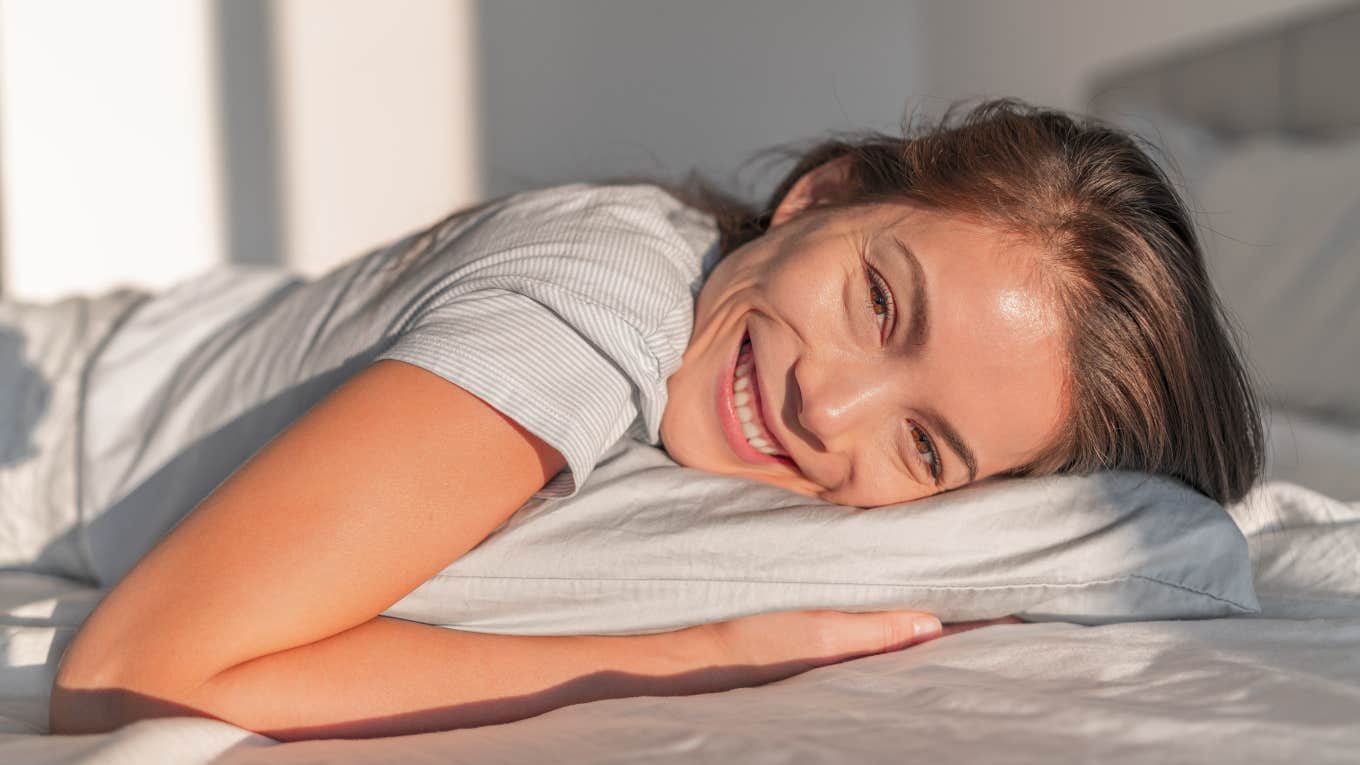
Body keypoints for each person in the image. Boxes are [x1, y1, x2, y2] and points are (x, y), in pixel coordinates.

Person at [29, 98, 1260, 739]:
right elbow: (138, 674)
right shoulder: (597, 305)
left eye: (924, 446)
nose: (826, 404)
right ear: (817, 198)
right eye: (879, 300)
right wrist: (696, 658)